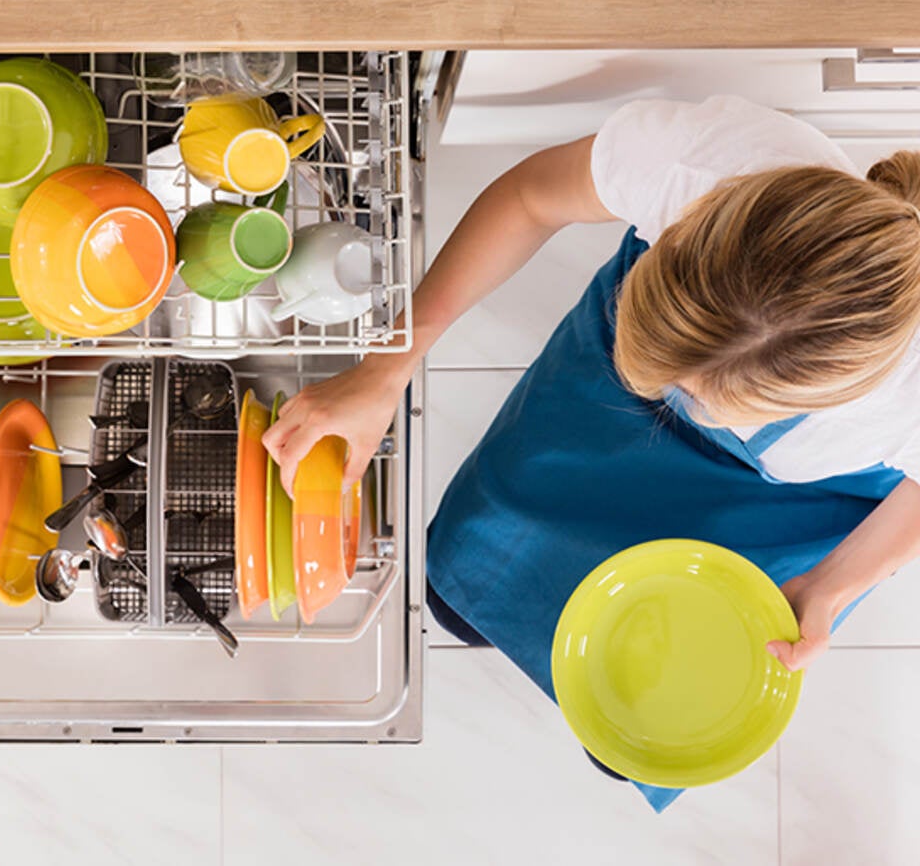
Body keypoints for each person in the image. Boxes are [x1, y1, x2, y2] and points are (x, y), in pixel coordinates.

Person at [261, 95, 920, 809]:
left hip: (784, 502)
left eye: (703, 396)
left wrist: (826, 591)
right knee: (460, 588)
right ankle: (474, 590)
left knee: (640, 701)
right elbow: (528, 199)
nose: (677, 399)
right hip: (601, 404)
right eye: (666, 363)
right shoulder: (708, 160)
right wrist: (387, 366)